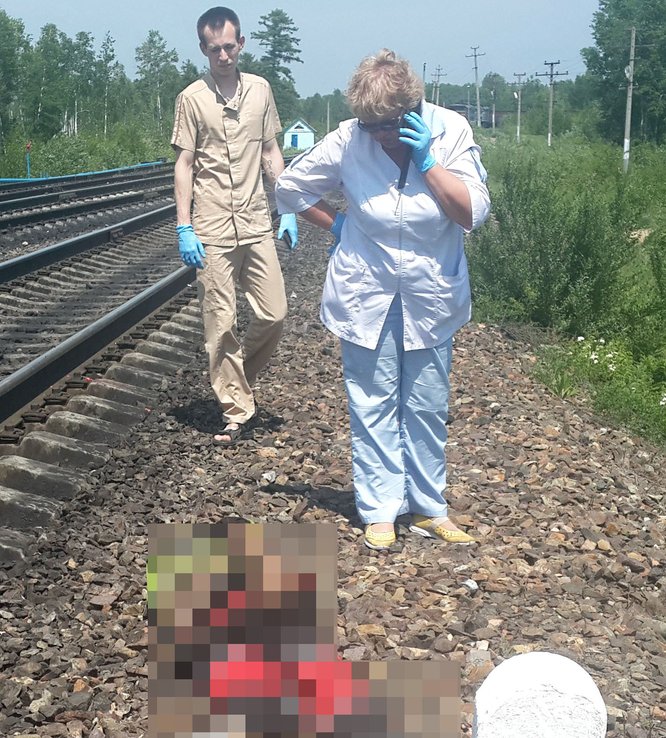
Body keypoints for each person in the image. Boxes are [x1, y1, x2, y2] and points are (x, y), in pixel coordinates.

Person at [274, 50, 490, 551]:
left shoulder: (450, 130)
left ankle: (429, 507)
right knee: (370, 402)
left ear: (413, 108)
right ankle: (379, 509)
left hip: (430, 291)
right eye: (371, 127)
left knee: (427, 403)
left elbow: (471, 212)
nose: (380, 136)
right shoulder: (352, 138)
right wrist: (340, 223)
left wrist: (429, 164)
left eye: (390, 126)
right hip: (365, 289)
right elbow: (290, 187)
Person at [172, 6, 301, 445]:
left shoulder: (261, 91)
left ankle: (236, 379)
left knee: (275, 313)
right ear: (203, 49)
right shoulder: (191, 99)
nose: (223, 55)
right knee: (220, 323)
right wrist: (184, 226)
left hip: (255, 222)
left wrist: (288, 207)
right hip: (210, 229)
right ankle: (236, 409)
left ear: (241, 43)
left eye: (230, 46)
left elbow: (270, 152)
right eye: (215, 49)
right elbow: (185, 165)